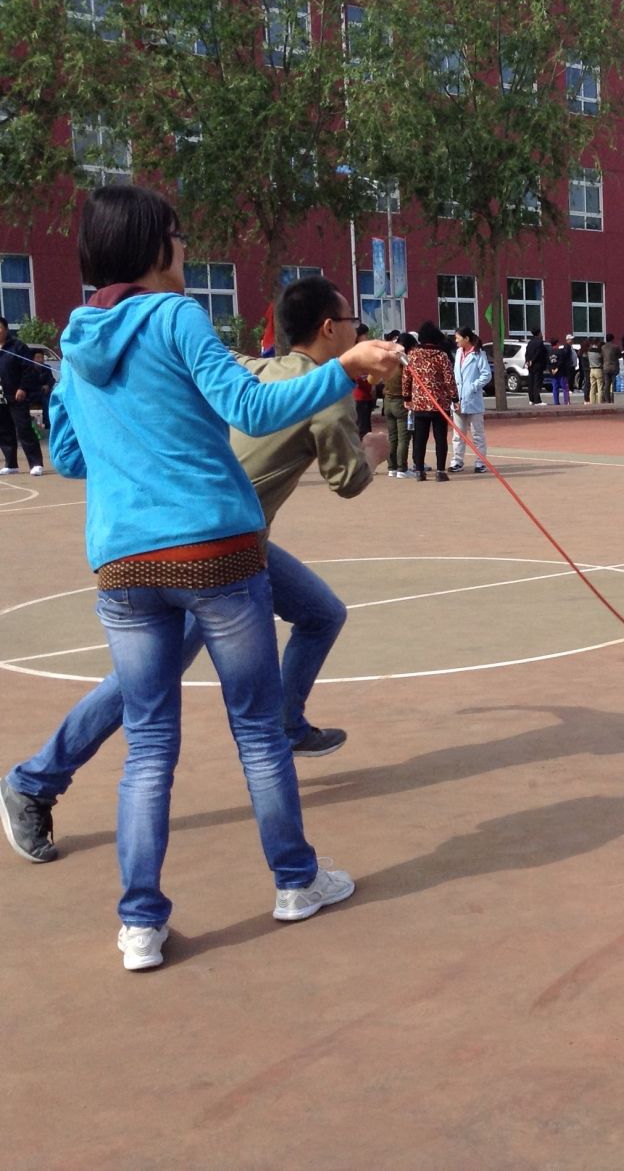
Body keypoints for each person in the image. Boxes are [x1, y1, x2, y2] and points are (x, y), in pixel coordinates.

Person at [25, 186, 397, 969]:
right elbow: (251, 408)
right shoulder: (176, 317)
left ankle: (140, 924)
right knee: (257, 730)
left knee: (149, 746)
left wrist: (112, 425)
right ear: (154, 246)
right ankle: (295, 881)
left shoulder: (77, 338)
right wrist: (347, 369)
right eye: (179, 234)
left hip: (123, 563)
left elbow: (70, 457)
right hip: (215, 551)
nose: (186, 247)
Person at [404, 321, 457, 478]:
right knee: (440, 438)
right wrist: (455, 397)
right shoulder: (442, 356)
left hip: (419, 403)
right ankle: (440, 471)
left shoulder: (412, 355)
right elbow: (449, 379)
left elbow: (406, 378)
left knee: (420, 438)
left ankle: (419, 470)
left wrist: (407, 397)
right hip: (439, 403)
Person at [0, 314, 45, 475]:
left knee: (23, 428)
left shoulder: (17, 346)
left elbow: (28, 369)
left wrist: (23, 388)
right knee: (4, 429)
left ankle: (36, 463)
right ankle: (11, 464)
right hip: (0, 396)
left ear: (6, 329)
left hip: (16, 394)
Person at [448, 326, 490, 474]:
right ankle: (457, 461)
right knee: (458, 434)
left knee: (477, 433)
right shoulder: (458, 353)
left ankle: (480, 462)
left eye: (458, 338)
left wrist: (473, 386)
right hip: (458, 399)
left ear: (466, 338)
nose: (456, 340)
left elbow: (486, 375)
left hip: (473, 399)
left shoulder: (478, 354)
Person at [381, 331, 413, 476]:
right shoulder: (404, 360)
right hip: (401, 401)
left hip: (387, 400)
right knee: (403, 438)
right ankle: (402, 468)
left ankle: (392, 467)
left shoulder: (388, 359)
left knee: (392, 437)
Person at [524, 328, 548, 405]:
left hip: (530, 365)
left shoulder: (530, 342)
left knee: (531, 382)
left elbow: (526, 353)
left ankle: (531, 399)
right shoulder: (539, 342)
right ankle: (537, 400)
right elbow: (539, 353)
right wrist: (533, 360)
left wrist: (528, 361)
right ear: (539, 333)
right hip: (538, 365)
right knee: (537, 383)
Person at [598, 332, 620, 403]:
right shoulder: (616, 347)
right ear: (612, 339)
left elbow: (601, 357)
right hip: (614, 367)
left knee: (607, 384)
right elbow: (619, 355)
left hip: (606, 367)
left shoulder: (603, 347)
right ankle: (613, 399)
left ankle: (607, 399)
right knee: (614, 384)